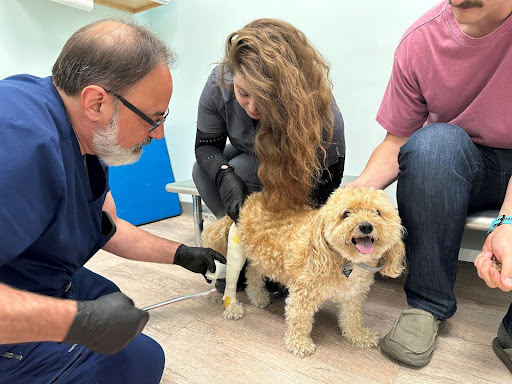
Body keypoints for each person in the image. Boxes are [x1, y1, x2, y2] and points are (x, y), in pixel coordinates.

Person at [0, 19, 226, 383]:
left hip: (39, 274)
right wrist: (75, 322)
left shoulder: (82, 136)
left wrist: (183, 254)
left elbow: (105, 226)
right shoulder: (20, 148)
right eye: (153, 119)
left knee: (116, 306)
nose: (159, 133)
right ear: (96, 102)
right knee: (137, 361)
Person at [345, 0, 512, 370]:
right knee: (432, 145)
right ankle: (425, 305)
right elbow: (397, 140)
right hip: (462, 163)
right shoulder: (420, 42)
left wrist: (508, 222)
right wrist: (344, 201)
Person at [192, 18, 345, 292]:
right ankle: (236, 242)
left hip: (298, 165)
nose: (252, 107)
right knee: (203, 170)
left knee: (243, 168)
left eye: (265, 97)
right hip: (249, 153)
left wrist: (295, 244)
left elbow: (326, 191)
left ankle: (270, 255)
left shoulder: (324, 116)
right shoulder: (219, 83)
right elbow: (205, 147)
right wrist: (225, 177)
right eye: (243, 93)